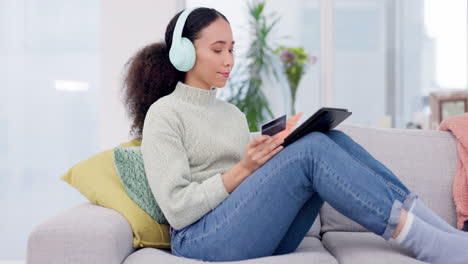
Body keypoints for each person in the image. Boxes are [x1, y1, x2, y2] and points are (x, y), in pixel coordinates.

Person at [122, 7, 468, 263]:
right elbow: (179, 212)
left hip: (251, 231)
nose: (229, 59)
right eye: (217, 49)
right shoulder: (164, 115)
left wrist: (273, 150)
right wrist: (244, 168)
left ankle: (443, 233)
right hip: (202, 240)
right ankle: (428, 244)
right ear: (183, 52)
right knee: (312, 149)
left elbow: (251, 187)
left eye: (232, 48)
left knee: (327, 138)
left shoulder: (230, 113)